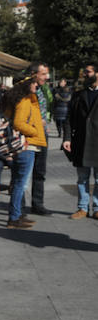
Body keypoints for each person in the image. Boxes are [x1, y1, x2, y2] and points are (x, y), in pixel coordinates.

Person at [4, 75, 45, 229]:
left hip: (18, 146)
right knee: (20, 184)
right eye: (33, 83)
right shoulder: (25, 101)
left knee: (16, 182)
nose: (36, 85)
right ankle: (14, 218)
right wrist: (34, 130)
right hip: (27, 145)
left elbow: (10, 118)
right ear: (27, 85)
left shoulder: (16, 99)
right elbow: (18, 123)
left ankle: (17, 215)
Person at [62, 61, 98, 219]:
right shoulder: (78, 95)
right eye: (84, 72)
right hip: (82, 142)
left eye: (88, 72)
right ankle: (82, 208)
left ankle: (97, 208)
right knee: (82, 178)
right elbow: (68, 119)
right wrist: (67, 138)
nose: (84, 74)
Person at [26, 62, 51, 215]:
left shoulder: (42, 89)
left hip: (42, 135)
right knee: (23, 174)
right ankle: (17, 209)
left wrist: (45, 124)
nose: (47, 77)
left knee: (40, 171)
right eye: (43, 74)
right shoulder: (25, 90)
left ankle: (37, 204)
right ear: (34, 74)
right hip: (28, 135)